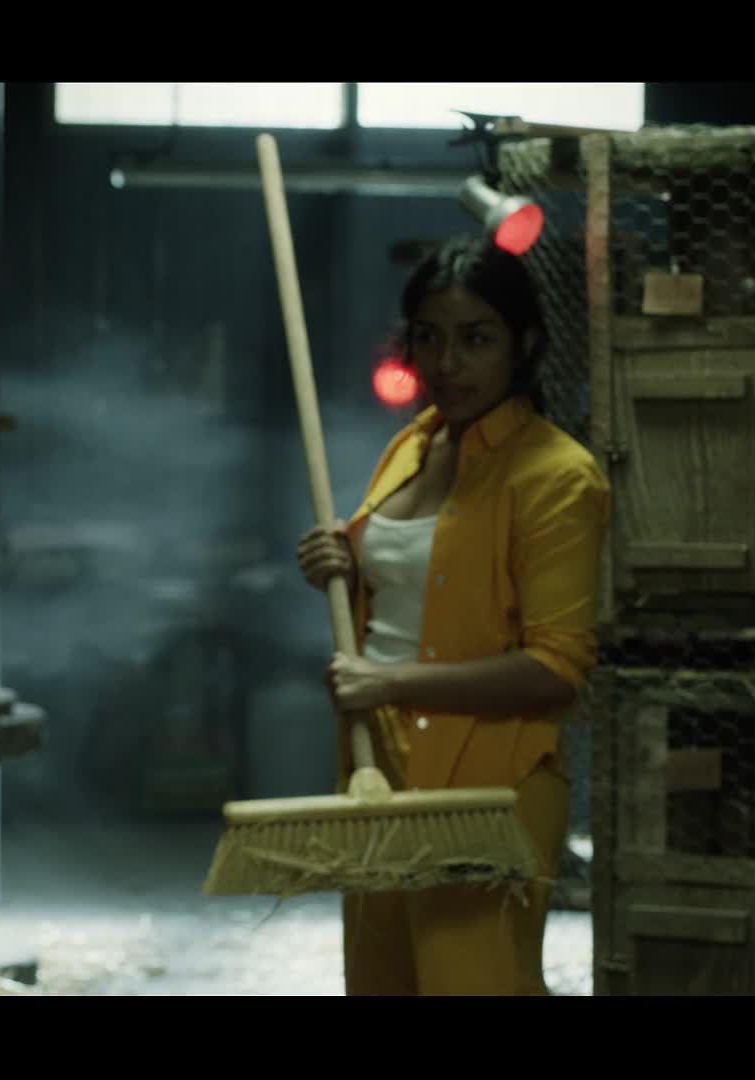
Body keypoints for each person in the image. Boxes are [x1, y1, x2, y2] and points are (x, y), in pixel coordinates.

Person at [294, 234, 611, 995]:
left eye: (476, 339)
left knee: (474, 982)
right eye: (429, 338)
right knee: (381, 980)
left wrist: (389, 683)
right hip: (379, 765)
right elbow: (415, 596)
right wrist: (344, 565)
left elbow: (556, 671)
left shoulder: (558, 476)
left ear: (523, 344)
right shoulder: (412, 446)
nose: (448, 362)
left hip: (488, 786)